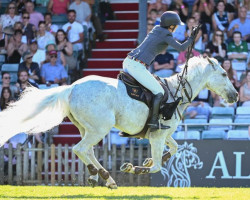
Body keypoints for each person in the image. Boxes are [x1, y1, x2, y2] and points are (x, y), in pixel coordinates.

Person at [123, 11, 196, 131]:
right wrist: (191, 38)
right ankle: (153, 122)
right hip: (136, 66)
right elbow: (181, 48)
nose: (176, 27)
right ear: (171, 25)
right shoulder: (166, 34)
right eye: (175, 25)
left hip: (129, 61)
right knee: (159, 92)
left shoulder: (157, 28)